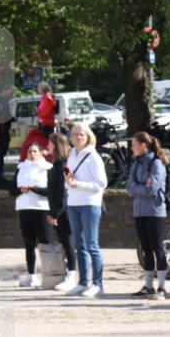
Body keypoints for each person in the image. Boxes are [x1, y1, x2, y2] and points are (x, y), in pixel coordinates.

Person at [64, 124, 107, 297]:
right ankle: (83, 282)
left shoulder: (93, 157)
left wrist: (78, 185)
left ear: (88, 136)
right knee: (79, 245)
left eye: (81, 134)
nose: (78, 137)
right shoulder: (72, 155)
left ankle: (98, 284)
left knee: (92, 245)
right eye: (75, 134)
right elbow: (70, 178)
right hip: (73, 203)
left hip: (90, 203)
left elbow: (101, 184)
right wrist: (68, 184)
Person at [126, 131, 168, 300]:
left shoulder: (156, 164)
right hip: (139, 211)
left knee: (158, 248)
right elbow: (129, 187)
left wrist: (139, 187)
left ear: (143, 145)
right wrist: (141, 187)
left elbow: (152, 189)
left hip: (155, 211)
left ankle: (162, 287)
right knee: (146, 249)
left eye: (134, 144)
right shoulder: (136, 164)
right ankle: (149, 285)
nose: (131, 147)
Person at [14, 142, 53, 287]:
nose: (32, 154)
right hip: (24, 208)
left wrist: (33, 189)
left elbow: (50, 191)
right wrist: (20, 190)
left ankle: (49, 275)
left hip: (41, 208)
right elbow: (12, 189)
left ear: (41, 152)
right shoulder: (21, 167)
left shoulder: (48, 168)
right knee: (29, 243)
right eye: (29, 152)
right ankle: (32, 276)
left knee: (45, 243)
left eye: (35, 151)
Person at [46, 132, 78, 291]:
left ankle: (72, 275)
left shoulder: (63, 166)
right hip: (58, 210)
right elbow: (52, 191)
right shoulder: (56, 165)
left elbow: (62, 194)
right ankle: (69, 273)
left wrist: (55, 214)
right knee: (65, 243)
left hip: (64, 212)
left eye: (50, 144)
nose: (47, 146)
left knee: (68, 243)